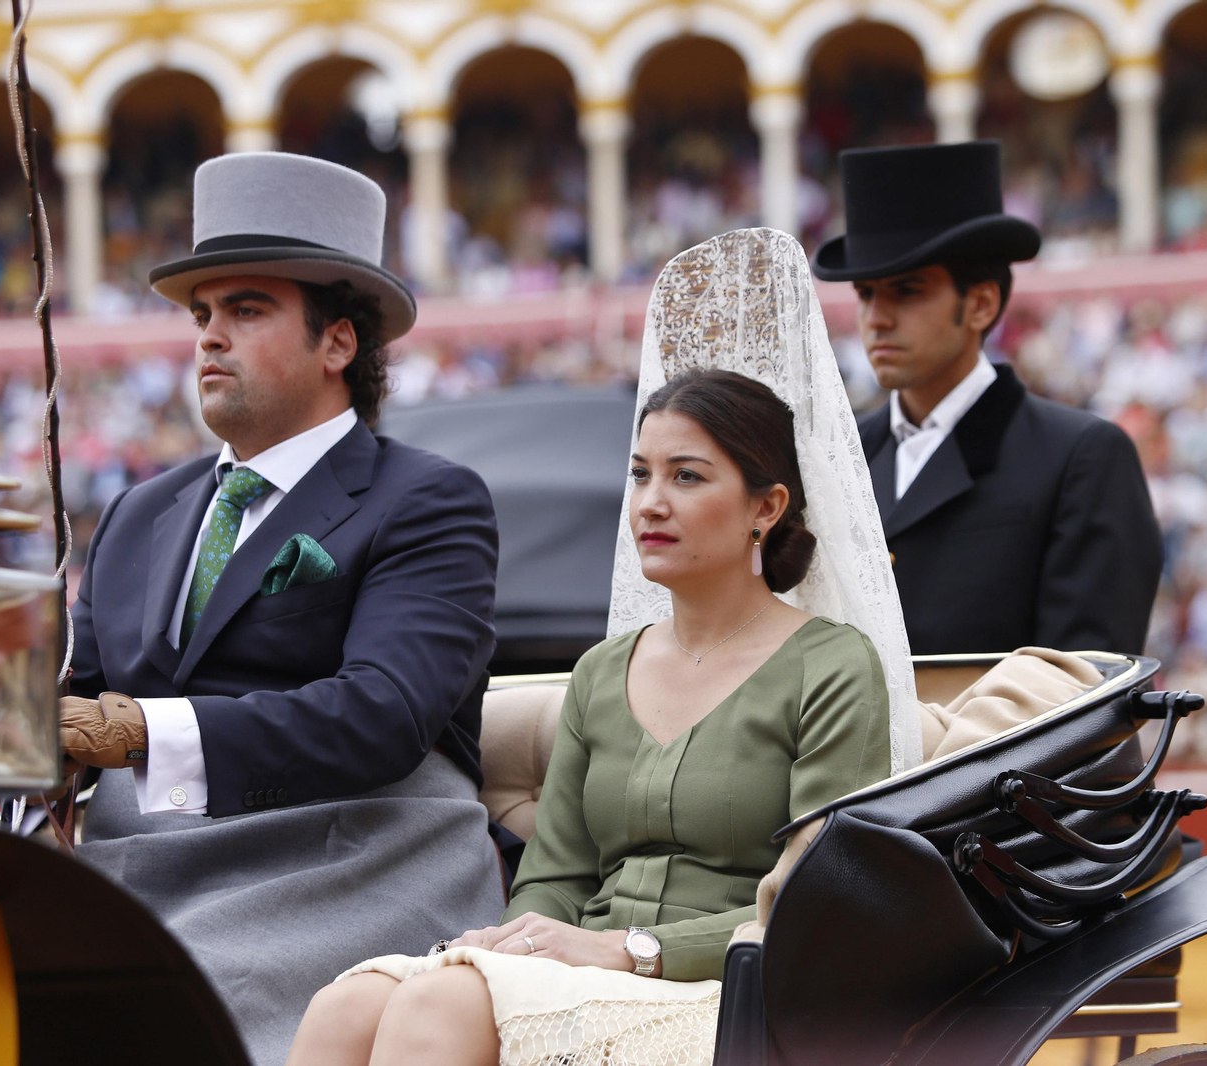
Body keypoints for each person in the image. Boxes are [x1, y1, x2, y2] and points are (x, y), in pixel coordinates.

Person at [285, 229, 922, 1066]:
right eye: (640, 474)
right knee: (347, 1003)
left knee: (438, 1004)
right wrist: (519, 938)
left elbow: (815, 908)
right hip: (584, 971)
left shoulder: (831, 666)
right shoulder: (602, 672)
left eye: (688, 477)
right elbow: (555, 876)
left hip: (727, 991)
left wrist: (630, 952)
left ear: (767, 507)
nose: (652, 502)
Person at [57, 152, 506, 1065]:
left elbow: (384, 715)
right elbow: (75, 709)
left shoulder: (429, 500)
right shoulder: (140, 514)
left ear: (338, 343)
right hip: (135, 874)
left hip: (346, 866)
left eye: (247, 310)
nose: (209, 338)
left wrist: (141, 732)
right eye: (203, 314)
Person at [812, 141, 1163, 656]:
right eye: (865, 294)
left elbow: (1088, 679)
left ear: (980, 304)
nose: (877, 318)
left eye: (907, 291)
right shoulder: (839, 458)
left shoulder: (1081, 456)